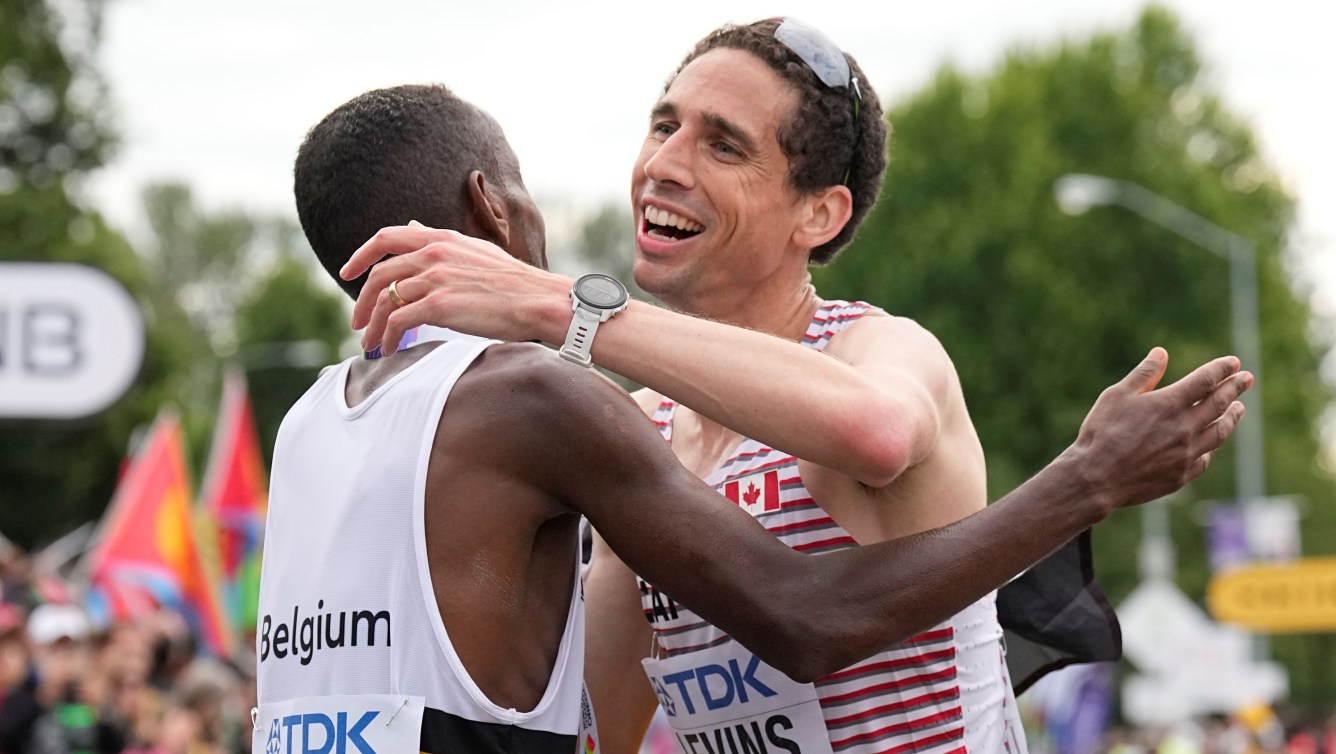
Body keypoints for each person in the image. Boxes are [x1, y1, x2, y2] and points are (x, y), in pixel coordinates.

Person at [280, 83, 1247, 754]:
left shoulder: (876, 344)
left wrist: (561, 309)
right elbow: (597, 722)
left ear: (818, 215)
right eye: (662, 126)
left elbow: (877, 433)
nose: (665, 162)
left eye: (721, 142)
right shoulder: (629, 428)